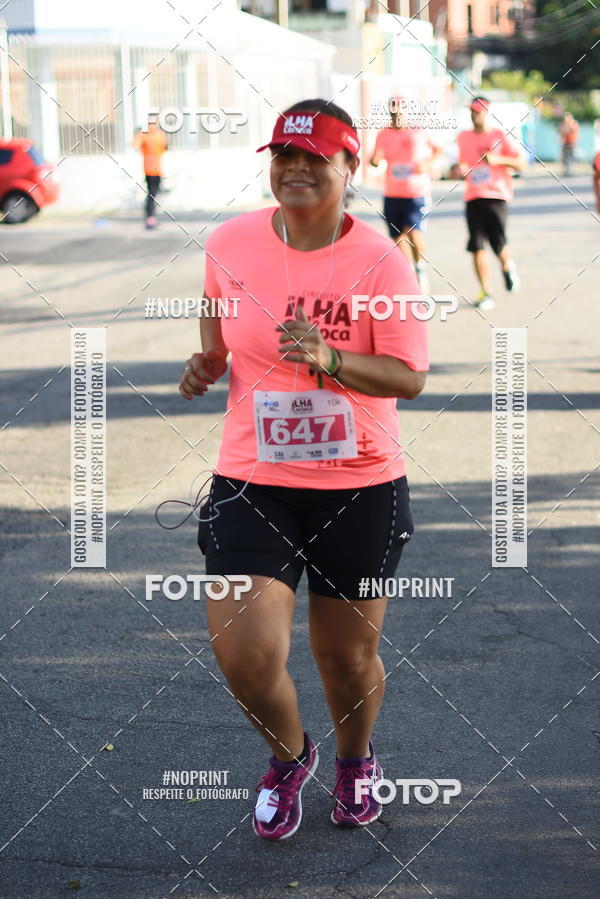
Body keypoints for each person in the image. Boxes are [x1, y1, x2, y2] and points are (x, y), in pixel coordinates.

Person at [178, 99, 429, 841]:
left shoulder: (383, 262)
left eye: (315, 158)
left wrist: (331, 357)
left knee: (345, 658)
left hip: (359, 485)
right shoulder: (231, 241)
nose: (295, 169)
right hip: (253, 478)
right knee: (245, 655)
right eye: (284, 155)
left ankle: (355, 760)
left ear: (350, 166)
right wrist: (208, 361)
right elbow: (216, 312)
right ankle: (290, 757)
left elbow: (410, 377)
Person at [457, 96, 525, 311]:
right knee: (476, 245)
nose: (474, 115)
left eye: (477, 111)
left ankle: (507, 266)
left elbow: (521, 163)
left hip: (496, 196)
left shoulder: (499, 136)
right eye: (471, 111)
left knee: (498, 244)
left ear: (487, 112)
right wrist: (459, 169)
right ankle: (486, 292)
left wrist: (498, 160)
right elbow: (462, 162)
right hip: (473, 196)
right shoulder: (463, 137)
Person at [369, 97, 442, 293]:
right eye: (393, 113)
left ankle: (420, 269)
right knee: (397, 236)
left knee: (413, 231)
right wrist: (375, 160)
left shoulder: (419, 131)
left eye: (399, 112)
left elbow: (439, 149)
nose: (396, 116)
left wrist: (427, 163)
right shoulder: (383, 133)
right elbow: (374, 158)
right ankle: (408, 272)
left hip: (416, 192)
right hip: (393, 192)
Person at [134, 119, 168, 229]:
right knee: (152, 194)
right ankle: (150, 218)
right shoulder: (147, 135)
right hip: (150, 170)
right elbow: (136, 144)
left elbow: (164, 148)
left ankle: (151, 216)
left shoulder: (158, 135)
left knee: (154, 193)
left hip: (157, 169)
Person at [559, 112, 579, 177]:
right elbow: (561, 131)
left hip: (572, 143)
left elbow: (574, 130)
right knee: (564, 158)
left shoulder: (574, 123)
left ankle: (572, 171)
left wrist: (569, 125)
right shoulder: (563, 124)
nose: (566, 120)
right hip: (565, 143)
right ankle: (565, 172)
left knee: (572, 157)